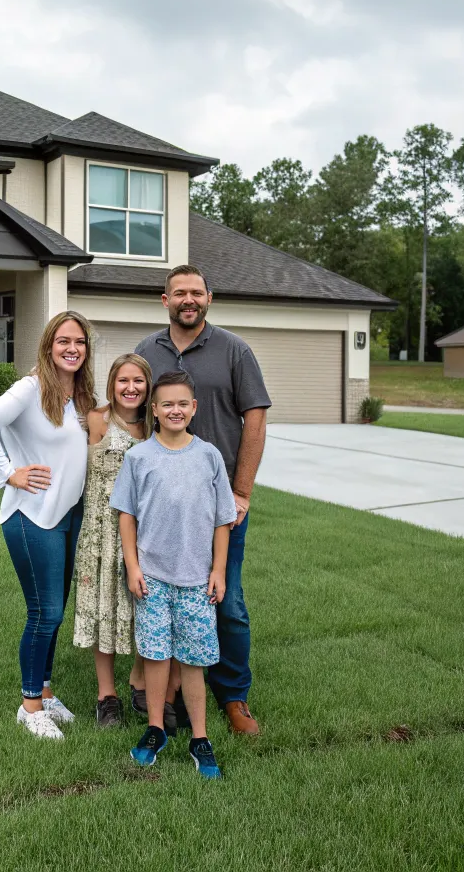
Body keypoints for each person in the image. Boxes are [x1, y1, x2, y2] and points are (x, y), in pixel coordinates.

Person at [134, 264, 271, 735]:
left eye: (196, 292)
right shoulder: (146, 351)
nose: (187, 300)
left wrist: (242, 491)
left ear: (208, 298)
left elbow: (255, 420)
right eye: (179, 293)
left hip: (218, 507)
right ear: (165, 299)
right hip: (161, 507)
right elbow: (130, 414)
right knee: (161, 598)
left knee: (225, 599)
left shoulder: (235, 350)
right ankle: (163, 695)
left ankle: (233, 696)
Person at [0, 311, 96, 740]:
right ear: (48, 345)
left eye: (79, 341)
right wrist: (9, 472)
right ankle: (29, 705)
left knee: (55, 611)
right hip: (31, 516)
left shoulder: (80, 395)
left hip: (67, 516)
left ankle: (44, 689)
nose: (71, 348)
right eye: (63, 340)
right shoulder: (31, 387)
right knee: (46, 612)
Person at [111, 370, 236, 776]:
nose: (175, 410)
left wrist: (218, 570)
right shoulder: (139, 457)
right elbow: (126, 516)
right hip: (152, 579)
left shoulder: (209, 456)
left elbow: (222, 520)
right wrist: (133, 567)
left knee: (194, 662)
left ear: (194, 408)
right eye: (167, 404)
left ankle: (200, 737)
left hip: (197, 581)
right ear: (155, 410)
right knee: (155, 655)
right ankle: (155, 730)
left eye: (183, 403)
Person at [72, 353, 154, 728]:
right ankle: (107, 696)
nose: (131, 388)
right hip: (101, 532)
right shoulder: (96, 420)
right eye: (123, 380)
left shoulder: (155, 427)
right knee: (103, 607)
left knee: (146, 608)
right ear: (112, 384)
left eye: (138, 381)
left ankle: (139, 680)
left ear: (148, 386)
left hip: (147, 532)